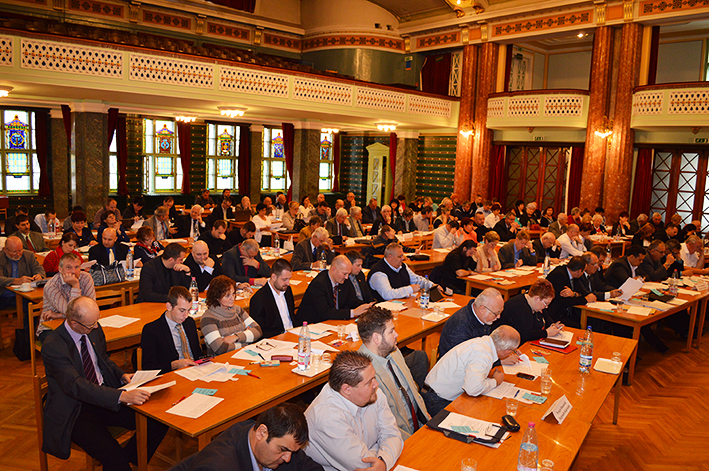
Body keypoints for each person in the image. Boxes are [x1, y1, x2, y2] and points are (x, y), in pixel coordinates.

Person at [40, 297, 167, 470]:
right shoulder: (54, 345)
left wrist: (122, 375)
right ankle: (120, 462)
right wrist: (121, 396)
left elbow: (103, 360)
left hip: (104, 396)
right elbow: (76, 386)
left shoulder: (93, 329)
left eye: (96, 321)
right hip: (76, 408)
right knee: (112, 454)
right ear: (74, 323)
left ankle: (129, 459)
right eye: (91, 324)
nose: (96, 327)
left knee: (158, 421)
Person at [304, 350, 404, 471]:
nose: (376, 384)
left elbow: (393, 435)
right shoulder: (329, 418)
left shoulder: (373, 394)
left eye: (374, 377)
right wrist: (383, 449)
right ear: (347, 389)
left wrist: (383, 461)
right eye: (369, 382)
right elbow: (364, 466)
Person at [356, 307, 430, 440]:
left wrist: (425, 415)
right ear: (376, 338)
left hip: (420, 423)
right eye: (391, 331)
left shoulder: (393, 350)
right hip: (400, 437)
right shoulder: (363, 374)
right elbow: (382, 426)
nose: (396, 335)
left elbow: (412, 390)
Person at [181, 402, 324, 471]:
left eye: (292, 452)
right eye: (282, 450)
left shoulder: (284, 442)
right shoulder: (219, 467)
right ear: (262, 433)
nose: (288, 459)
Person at [423, 326, 521, 416]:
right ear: (507, 351)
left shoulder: (482, 343)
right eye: (513, 351)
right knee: (483, 414)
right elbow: (473, 389)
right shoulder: (483, 354)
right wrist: (496, 381)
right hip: (436, 401)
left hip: (435, 393)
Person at [137, 286, 203, 374]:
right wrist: (174, 365)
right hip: (171, 374)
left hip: (195, 370)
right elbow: (148, 368)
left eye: (188, 310)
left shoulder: (189, 323)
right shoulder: (152, 330)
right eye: (182, 311)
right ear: (169, 306)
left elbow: (198, 353)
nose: (186, 315)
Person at [296, 255, 373, 324]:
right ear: (334, 269)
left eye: (348, 274)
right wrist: (353, 312)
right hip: (312, 325)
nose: (347, 277)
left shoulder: (344, 280)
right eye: (344, 274)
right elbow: (325, 312)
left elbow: (352, 301)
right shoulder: (319, 284)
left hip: (333, 323)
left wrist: (367, 307)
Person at [38, 253, 96, 341]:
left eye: (76, 267)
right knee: (69, 342)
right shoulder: (51, 286)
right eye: (69, 267)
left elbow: (91, 308)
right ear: (60, 269)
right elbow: (72, 313)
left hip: (80, 324)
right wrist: (75, 286)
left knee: (97, 337)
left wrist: (58, 315)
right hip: (50, 328)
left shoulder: (86, 278)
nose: (73, 271)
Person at [200, 275, 262, 356]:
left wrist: (235, 337)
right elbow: (220, 348)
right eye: (227, 296)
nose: (232, 298)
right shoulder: (208, 318)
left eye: (233, 294)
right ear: (216, 297)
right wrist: (246, 341)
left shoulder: (237, 310)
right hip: (222, 360)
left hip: (244, 355)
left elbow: (258, 331)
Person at [437, 288, 505, 359]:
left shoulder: (484, 318)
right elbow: (465, 359)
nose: (498, 317)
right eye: (496, 313)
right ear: (482, 309)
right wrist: (498, 361)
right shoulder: (460, 327)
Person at [495, 280, 563, 345]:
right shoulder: (520, 308)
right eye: (546, 304)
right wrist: (546, 333)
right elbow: (526, 334)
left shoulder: (533, 302)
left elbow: (545, 315)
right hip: (505, 341)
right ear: (537, 298)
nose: (546, 307)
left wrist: (552, 325)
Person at [368, 243, 435, 302]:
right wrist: (410, 289)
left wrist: (432, 285)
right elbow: (388, 295)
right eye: (400, 256)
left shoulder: (403, 266)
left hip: (403, 304)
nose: (403, 258)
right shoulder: (378, 273)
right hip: (384, 309)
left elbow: (416, 280)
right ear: (390, 257)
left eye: (403, 255)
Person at [249, 259, 296, 338]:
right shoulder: (259, 299)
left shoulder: (287, 290)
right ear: (274, 277)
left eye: (289, 279)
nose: (288, 283)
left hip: (293, 333)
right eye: (285, 279)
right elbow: (259, 331)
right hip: (275, 338)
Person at [0, 236, 45, 317]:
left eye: (20, 250)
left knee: (35, 307)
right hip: (3, 295)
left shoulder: (28, 255)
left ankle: (28, 326)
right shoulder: (1, 258)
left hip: (25, 294)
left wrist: (39, 275)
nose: (18, 254)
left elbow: (39, 269)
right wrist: (17, 281)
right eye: (14, 252)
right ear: (5, 250)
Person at [545, 256, 592, 323]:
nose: (583, 273)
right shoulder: (558, 275)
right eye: (584, 271)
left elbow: (582, 292)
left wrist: (574, 294)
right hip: (555, 315)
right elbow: (565, 300)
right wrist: (585, 300)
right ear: (579, 271)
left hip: (567, 312)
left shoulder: (574, 275)